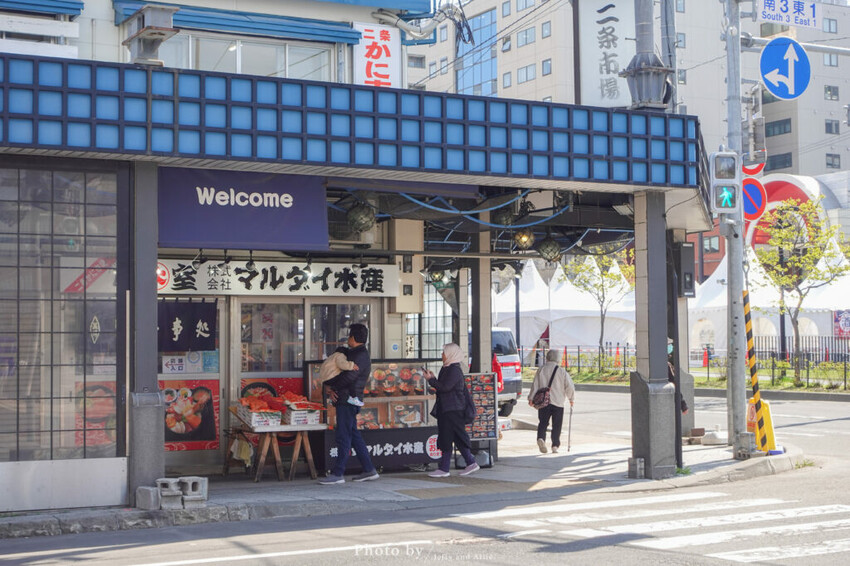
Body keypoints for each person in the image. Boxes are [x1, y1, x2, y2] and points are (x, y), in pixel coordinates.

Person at [319, 323, 379, 484]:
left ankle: (338, 473)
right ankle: (369, 469)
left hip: (347, 399)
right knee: (353, 435)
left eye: (349, 337)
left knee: (343, 435)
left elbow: (349, 377)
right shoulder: (358, 353)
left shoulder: (359, 355)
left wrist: (333, 387)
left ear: (352, 338)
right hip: (350, 399)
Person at [425, 343, 480, 478]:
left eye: (444, 352)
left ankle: (448, 467)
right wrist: (433, 381)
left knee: (451, 436)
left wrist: (431, 380)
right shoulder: (448, 368)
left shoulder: (454, 370)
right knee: (451, 436)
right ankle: (466, 463)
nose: (442, 355)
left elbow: (446, 387)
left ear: (451, 354)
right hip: (448, 408)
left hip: (453, 409)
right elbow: (444, 386)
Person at [529, 349, 575, 454]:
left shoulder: (541, 369)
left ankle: (541, 438)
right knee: (557, 424)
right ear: (558, 359)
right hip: (558, 402)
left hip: (543, 402)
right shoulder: (561, 371)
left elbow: (535, 384)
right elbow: (569, 386)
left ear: (547, 357)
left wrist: (531, 398)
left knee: (543, 422)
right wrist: (571, 399)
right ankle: (555, 445)